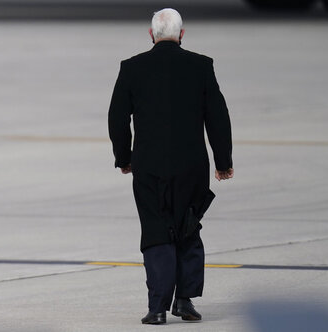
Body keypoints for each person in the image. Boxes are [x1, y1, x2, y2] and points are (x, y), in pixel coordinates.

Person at [107, 8, 234, 325]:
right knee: (188, 226)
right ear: (182, 34)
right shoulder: (200, 66)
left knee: (156, 229)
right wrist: (223, 161)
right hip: (191, 164)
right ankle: (185, 301)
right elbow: (217, 116)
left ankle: (157, 308)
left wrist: (124, 158)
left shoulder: (132, 68)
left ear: (151, 35)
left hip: (149, 165)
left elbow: (117, 118)